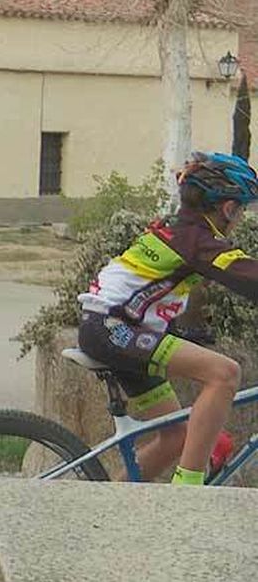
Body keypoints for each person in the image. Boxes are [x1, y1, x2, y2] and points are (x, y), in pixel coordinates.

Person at [77, 151, 258, 485]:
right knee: (224, 374)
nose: (240, 218)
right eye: (242, 209)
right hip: (112, 328)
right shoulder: (197, 240)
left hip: (111, 326)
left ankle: (107, 507)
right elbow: (248, 278)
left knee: (176, 437)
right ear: (228, 208)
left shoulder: (179, 230)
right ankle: (188, 490)